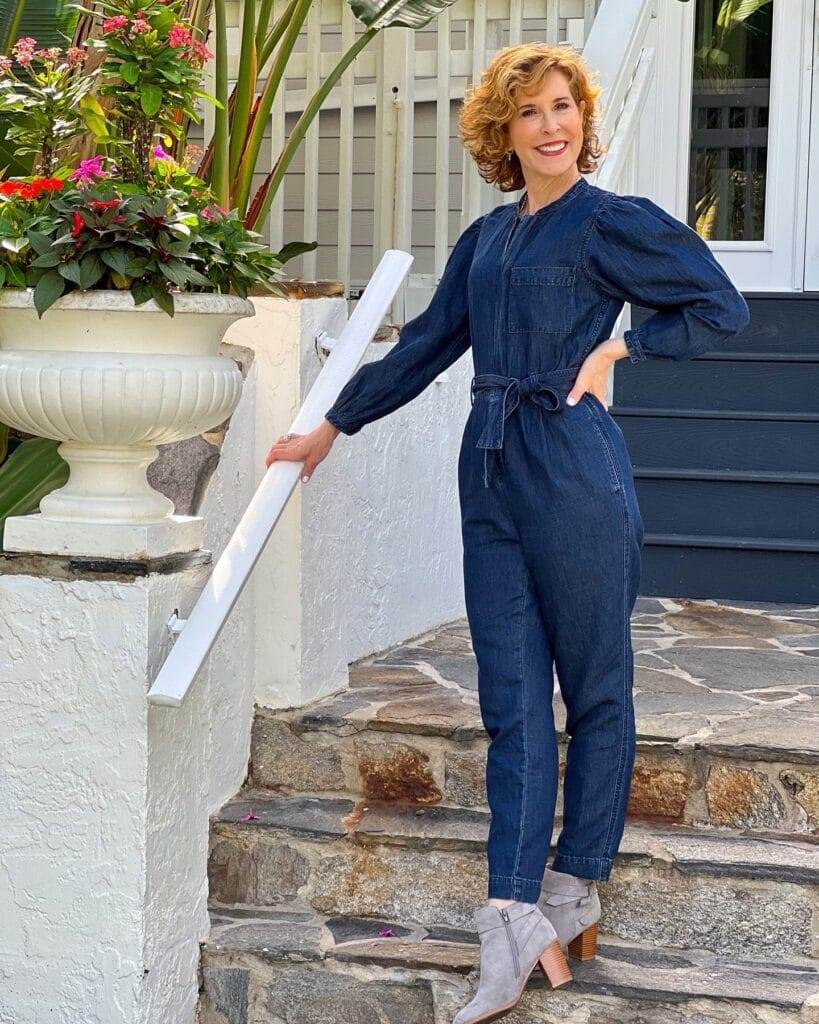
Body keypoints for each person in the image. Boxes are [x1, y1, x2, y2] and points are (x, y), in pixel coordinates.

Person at [266, 41, 750, 1024]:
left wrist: (623, 343)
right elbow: (431, 343)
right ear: (503, 130)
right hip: (486, 474)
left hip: (573, 467)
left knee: (598, 688)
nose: (552, 125)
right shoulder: (485, 242)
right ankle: (507, 922)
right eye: (530, 111)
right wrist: (331, 425)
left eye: (565, 107)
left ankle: (574, 889)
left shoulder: (611, 223)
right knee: (512, 704)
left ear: (583, 120)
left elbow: (720, 306)